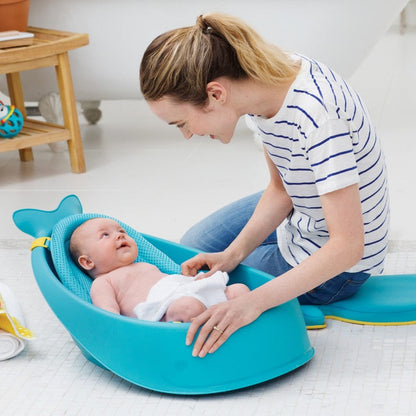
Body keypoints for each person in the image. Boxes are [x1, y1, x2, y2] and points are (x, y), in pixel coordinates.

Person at [139, 13, 390, 357]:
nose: (187, 135)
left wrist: (253, 303)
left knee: (205, 293)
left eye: (182, 122)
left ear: (215, 94)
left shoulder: (318, 115)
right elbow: (281, 189)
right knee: (193, 250)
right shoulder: (260, 83)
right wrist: (232, 255)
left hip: (341, 261)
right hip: (306, 203)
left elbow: (348, 247)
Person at [69, 217, 249, 322]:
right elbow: (109, 315)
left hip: (187, 293)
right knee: (188, 307)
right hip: (163, 310)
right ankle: (214, 323)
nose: (119, 235)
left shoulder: (145, 265)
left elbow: (172, 284)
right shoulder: (103, 282)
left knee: (239, 290)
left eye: (121, 231)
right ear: (87, 262)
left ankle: (229, 319)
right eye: (105, 235)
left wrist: (194, 282)